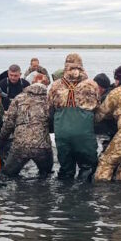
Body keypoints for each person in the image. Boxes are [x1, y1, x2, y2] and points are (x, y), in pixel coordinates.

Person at [47, 53, 100, 181]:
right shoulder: (92, 84)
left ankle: (65, 195)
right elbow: (98, 107)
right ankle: (85, 194)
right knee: (88, 168)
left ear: (66, 66)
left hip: (63, 133)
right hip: (84, 134)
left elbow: (49, 108)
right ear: (81, 66)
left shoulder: (55, 85)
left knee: (66, 169)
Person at [0, 79, 53, 178]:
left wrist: (1, 142)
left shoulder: (18, 98)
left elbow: (8, 123)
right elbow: (53, 123)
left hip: (20, 146)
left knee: (7, 174)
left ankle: (17, 191)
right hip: (42, 148)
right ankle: (44, 192)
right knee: (46, 174)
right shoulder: (48, 100)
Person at [93, 73, 117, 152]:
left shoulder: (105, 98)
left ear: (99, 87)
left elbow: (97, 117)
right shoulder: (112, 93)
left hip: (110, 130)